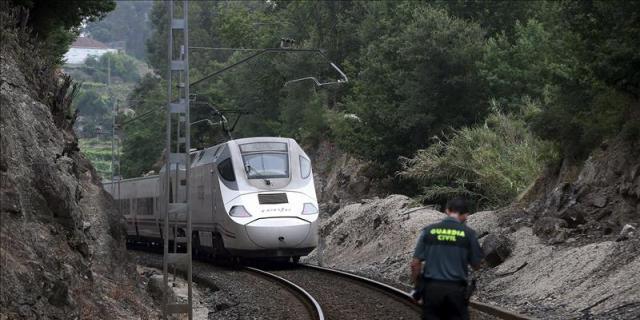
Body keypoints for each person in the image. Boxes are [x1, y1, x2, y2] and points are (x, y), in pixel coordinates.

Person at [410, 197, 483, 320]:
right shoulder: (469, 234)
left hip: (432, 290)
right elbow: (477, 265)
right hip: (456, 292)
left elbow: (415, 264)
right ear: (466, 215)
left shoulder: (428, 231)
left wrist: (418, 288)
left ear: (447, 211)